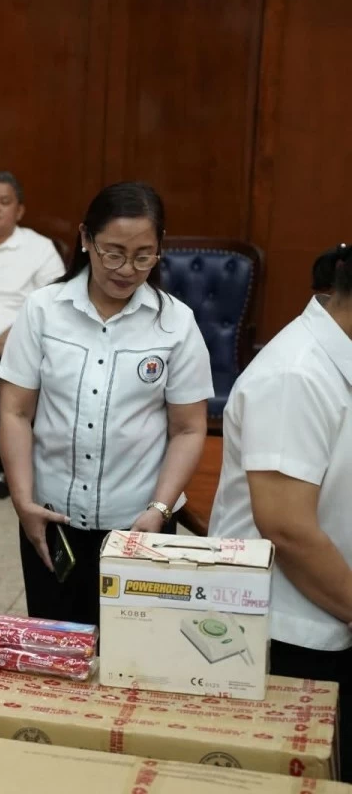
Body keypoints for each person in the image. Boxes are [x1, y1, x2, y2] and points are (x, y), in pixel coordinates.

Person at [0, 181, 212, 627]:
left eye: (142, 255)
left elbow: (189, 429)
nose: (126, 269)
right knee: (58, 650)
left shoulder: (175, 323)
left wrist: (159, 510)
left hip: (140, 524)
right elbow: (16, 412)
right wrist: (23, 502)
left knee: (133, 659)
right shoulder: (43, 309)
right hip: (52, 519)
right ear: (85, 239)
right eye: (112, 252)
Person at [209, 242, 352, 783]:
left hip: (326, 604)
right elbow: (287, 528)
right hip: (291, 628)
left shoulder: (337, 352)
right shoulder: (297, 375)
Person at [0, 171, 65, 500]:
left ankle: (3, 466)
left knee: (1, 395)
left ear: (19, 210)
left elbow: (57, 303)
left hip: (5, 345)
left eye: (4, 202)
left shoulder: (39, 248)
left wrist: (17, 331)